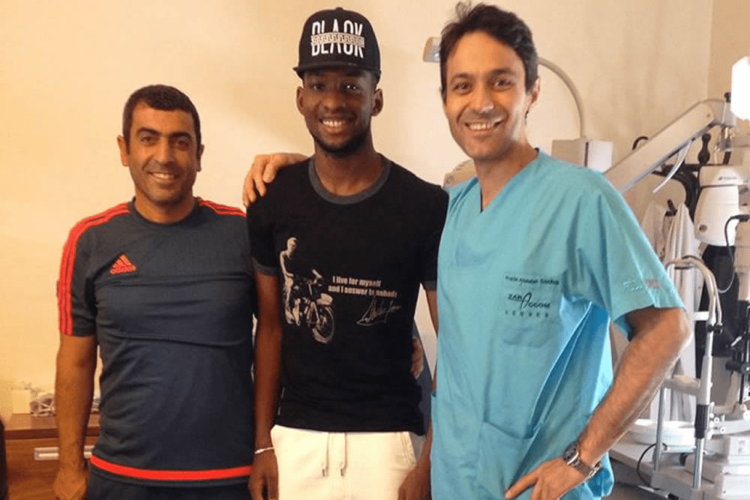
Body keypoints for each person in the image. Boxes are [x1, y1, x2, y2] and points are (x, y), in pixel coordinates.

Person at [430, 3, 691, 500]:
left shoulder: (582, 200)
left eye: (500, 82)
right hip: (455, 481)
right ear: (445, 100)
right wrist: (296, 169)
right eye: (462, 85)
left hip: (542, 490)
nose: (480, 103)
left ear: (532, 90)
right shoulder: (452, 208)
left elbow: (666, 328)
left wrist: (581, 457)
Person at [245, 7, 448, 500]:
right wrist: (263, 445)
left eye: (351, 85)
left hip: (390, 442)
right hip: (296, 441)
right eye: (318, 85)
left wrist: (430, 458)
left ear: (376, 98)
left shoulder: (425, 206)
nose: (333, 101)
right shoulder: (272, 199)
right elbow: (269, 328)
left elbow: (455, 344)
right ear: (300, 98)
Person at [54, 84, 255, 500]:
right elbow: (75, 362)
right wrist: (69, 466)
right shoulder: (90, 240)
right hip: (121, 478)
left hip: (229, 477)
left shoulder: (243, 233)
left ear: (199, 154)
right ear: (124, 149)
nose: (164, 156)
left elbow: (281, 334)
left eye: (180, 142)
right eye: (148, 139)